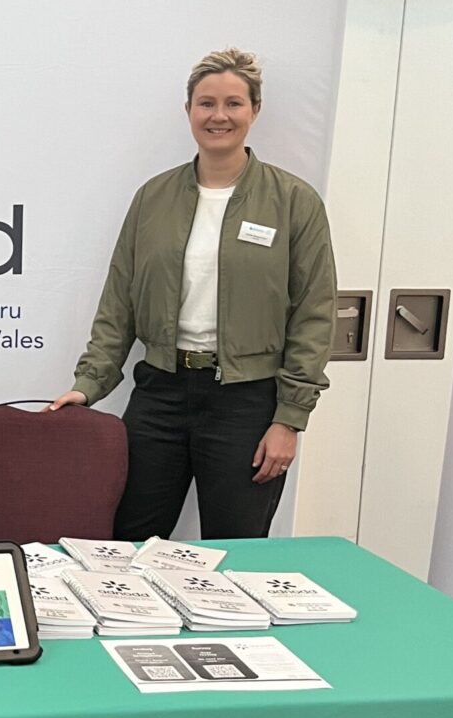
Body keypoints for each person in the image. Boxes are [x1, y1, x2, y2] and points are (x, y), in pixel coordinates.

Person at [46, 49, 336, 540]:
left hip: (247, 402)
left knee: (238, 549)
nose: (218, 116)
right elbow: (118, 301)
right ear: (188, 111)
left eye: (233, 104)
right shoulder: (153, 198)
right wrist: (90, 382)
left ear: (254, 111)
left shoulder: (293, 202)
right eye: (206, 103)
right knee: (130, 545)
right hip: (160, 394)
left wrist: (290, 418)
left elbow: (314, 314)